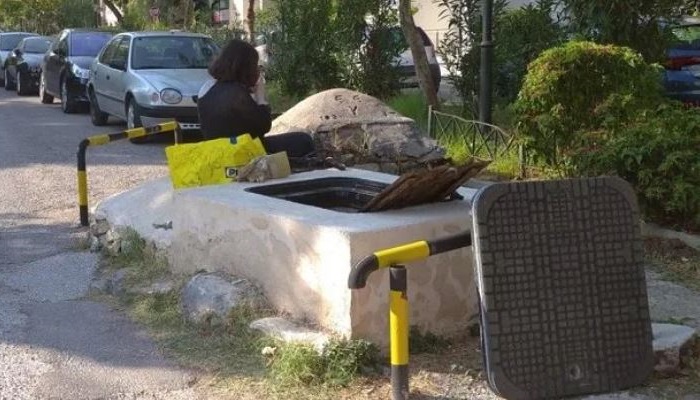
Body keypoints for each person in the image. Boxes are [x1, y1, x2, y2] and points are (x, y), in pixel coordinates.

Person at [197, 39, 316, 159]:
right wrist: (260, 96)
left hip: (216, 151)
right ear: (245, 67)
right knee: (303, 140)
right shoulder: (237, 93)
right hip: (242, 151)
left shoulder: (207, 87)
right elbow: (263, 127)